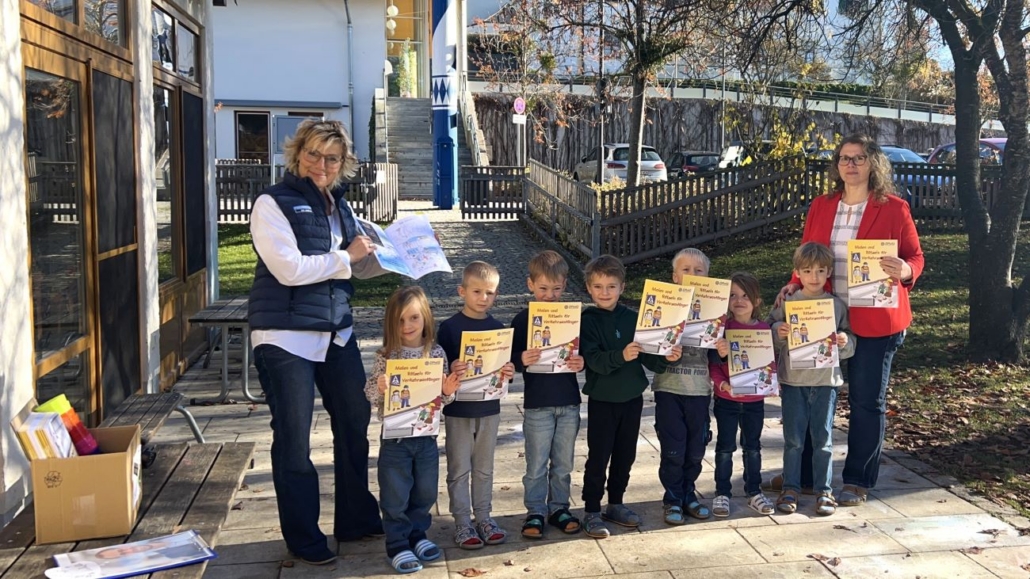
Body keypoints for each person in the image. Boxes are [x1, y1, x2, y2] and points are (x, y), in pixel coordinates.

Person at [248, 118, 385, 565]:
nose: (321, 165)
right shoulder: (273, 202)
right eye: (313, 154)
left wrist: (405, 255)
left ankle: (356, 519)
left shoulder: (339, 205)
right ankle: (305, 538)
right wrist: (347, 256)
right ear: (297, 153)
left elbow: (358, 267)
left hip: (336, 331)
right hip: (285, 338)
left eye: (332, 157)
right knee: (294, 440)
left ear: (343, 162)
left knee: (354, 420)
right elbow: (290, 269)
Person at [772, 134, 924, 506]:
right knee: (810, 394)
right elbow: (807, 256)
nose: (850, 164)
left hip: (877, 320)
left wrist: (905, 270)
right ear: (836, 165)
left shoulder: (894, 208)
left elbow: (916, 257)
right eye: (843, 158)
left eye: (858, 158)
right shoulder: (822, 206)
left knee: (865, 401)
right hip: (820, 316)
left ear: (873, 163)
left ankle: (857, 479)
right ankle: (803, 475)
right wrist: (794, 286)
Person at [579, 255, 682, 538]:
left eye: (611, 286)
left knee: (625, 454)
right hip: (602, 399)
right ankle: (590, 509)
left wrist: (668, 356)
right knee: (599, 456)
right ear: (589, 288)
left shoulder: (634, 318)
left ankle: (616, 503)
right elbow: (594, 359)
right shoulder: (587, 321)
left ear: (622, 287)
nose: (604, 292)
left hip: (631, 398)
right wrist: (620, 355)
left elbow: (650, 359)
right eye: (598, 286)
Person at [364, 287, 460, 574]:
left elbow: (443, 398)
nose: (407, 326)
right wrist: (379, 387)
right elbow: (369, 392)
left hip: (426, 437)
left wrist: (447, 390)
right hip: (395, 439)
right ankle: (396, 542)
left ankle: (417, 534)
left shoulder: (437, 352)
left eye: (414, 318)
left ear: (425, 318)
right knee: (395, 494)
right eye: (400, 320)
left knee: (426, 491)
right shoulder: (386, 355)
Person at [767, 242, 855, 517]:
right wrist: (777, 332)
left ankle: (823, 491)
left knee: (824, 440)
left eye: (820, 270)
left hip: (826, 382)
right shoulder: (787, 303)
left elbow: (851, 342)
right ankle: (790, 488)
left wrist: (843, 342)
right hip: (794, 381)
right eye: (807, 271)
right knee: (793, 440)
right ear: (797, 273)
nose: (814, 276)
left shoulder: (837, 306)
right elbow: (768, 335)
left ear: (829, 272)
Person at [437, 261, 516, 549]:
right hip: (458, 410)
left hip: (489, 409)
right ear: (462, 291)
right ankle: (462, 523)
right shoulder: (448, 328)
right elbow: (436, 371)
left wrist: (508, 371)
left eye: (490, 293)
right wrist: (450, 369)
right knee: (459, 468)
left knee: (484, 468)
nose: (484, 298)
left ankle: (483, 517)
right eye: (477, 291)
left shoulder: (498, 329)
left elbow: (505, 368)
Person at [510, 250, 586, 539]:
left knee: (563, 463)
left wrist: (583, 362)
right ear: (530, 285)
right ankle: (535, 511)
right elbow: (509, 360)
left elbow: (584, 353)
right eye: (543, 288)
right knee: (536, 464)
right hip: (538, 405)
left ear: (565, 285)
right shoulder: (522, 319)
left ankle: (558, 507)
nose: (550, 295)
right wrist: (521, 360)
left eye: (556, 289)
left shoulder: (574, 318)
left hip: (568, 402)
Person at [651, 248, 718, 525]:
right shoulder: (663, 306)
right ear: (675, 277)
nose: (692, 275)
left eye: (698, 270)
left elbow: (718, 356)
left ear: (707, 276)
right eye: (686, 270)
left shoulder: (716, 309)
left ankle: (688, 493)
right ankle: (672, 498)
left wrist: (722, 348)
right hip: (669, 389)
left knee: (695, 449)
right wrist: (662, 351)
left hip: (699, 392)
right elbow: (648, 349)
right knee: (673, 449)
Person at [709, 272, 776, 518]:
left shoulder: (763, 330)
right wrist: (722, 384)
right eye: (733, 295)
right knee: (725, 448)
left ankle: (754, 492)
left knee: (753, 448)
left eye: (745, 295)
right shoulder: (721, 329)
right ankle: (722, 493)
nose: (739, 300)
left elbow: (771, 365)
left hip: (754, 402)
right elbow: (714, 365)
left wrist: (770, 384)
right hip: (726, 400)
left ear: (757, 301)